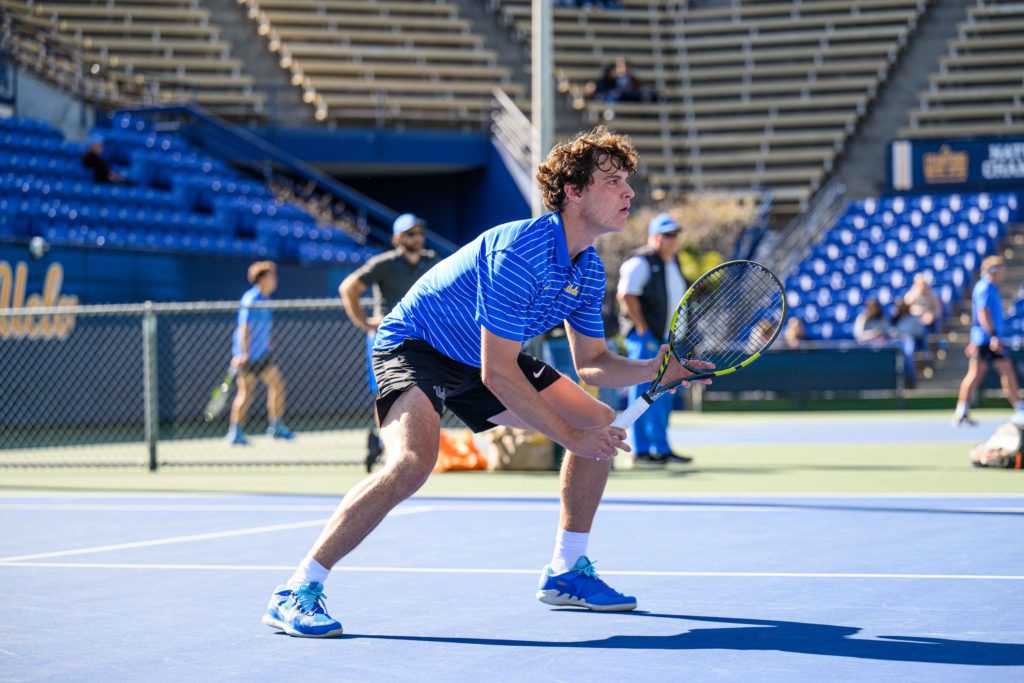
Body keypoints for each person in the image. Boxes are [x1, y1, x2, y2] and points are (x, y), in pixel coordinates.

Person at [261, 126, 713, 638]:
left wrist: (661, 368)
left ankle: (566, 570)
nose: (628, 191)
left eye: (627, 181)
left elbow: (593, 362)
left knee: (598, 421)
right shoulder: (521, 251)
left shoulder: (587, 270)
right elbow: (496, 372)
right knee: (412, 463)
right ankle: (298, 588)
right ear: (574, 191)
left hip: (479, 355)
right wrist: (571, 438)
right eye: (612, 180)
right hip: (417, 346)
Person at [339, 213, 439, 472]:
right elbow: (348, 288)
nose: (416, 237)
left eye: (419, 232)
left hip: (419, 339)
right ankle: (388, 444)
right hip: (386, 340)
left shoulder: (431, 262)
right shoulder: (384, 264)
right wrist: (365, 321)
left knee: (419, 393)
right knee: (386, 396)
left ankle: (386, 444)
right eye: (410, 233)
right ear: (397, 238)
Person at [616, 212, 692, 466]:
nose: (673, 239)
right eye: (667, 235)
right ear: (654, 237)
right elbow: (626, 294)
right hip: (647, 338)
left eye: (674, 234)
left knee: (663, 394)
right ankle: (641, 451)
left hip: (667, 339)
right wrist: (642, 327)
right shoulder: (641, 261)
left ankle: (661, 448)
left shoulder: (673, 262)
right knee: (644, 391)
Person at [226, 261, 294, 445]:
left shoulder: (266, 299)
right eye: (272, 276)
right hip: (247, 356)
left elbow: (261, 327)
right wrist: (244, 353)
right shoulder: (251, 299)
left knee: (277, 386)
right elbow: (243, 329)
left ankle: (276, 427)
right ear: (262, 279)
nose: (275, 280)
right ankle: (235, 433)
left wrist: (267, 342)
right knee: (246, 393)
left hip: (263, 355)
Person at [952, 256, 1024, 427]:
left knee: (1006, 369)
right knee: (975, 374)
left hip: (989, 338)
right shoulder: (984, 287)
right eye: (1000, 269)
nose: (1003, 273)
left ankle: (1019, 408)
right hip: (985, 340)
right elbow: (983, 314)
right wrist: (993, 336)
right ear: (993, 270)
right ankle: (961, 411)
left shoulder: (991, 288)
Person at [890, 297, 925, 389]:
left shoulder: (913, 319)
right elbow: (889, 332)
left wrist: (906, 334)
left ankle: (911, 382)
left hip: (909, 341)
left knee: (908, 356)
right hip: (895, 342)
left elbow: (920, 332)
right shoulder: (894, 320)